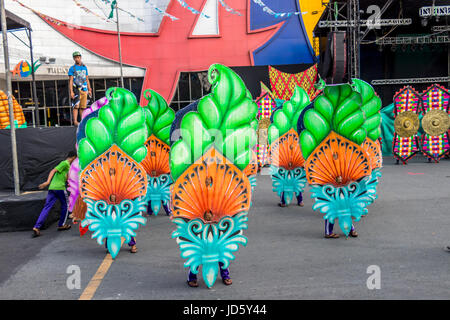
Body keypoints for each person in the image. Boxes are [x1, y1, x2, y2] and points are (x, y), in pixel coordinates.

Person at [32, 151, 77, 237]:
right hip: (59, 188)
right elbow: (53, 171)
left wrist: (69, 181)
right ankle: (61, 225)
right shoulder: (65, 163)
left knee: (47, 207)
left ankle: (37, 227)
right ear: (73, 157)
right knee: (66, 205)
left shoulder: (67, 166)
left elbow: (65, 176)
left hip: (52, 188)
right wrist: (47, 181)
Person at [69, 51, 92, 126]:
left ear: (80, 58)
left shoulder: (84, 67)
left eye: (78, 57)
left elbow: (87, 79)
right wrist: (71, 91)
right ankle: (75, 121)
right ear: (73, 58)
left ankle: (82, 121)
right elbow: (71, 80)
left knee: (83, 107)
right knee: (76, 106)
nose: (77, 59)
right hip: (76, 89)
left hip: (84, 89)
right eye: (75, 57)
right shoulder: (72, 68)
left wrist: (89, 89)